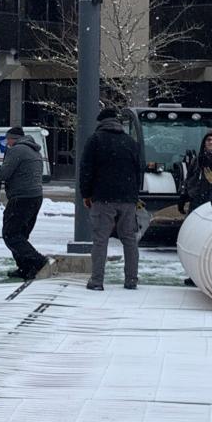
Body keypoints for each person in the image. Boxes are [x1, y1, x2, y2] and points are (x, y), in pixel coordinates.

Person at [79, 107, 142, 292]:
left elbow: (86, 170)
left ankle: (97, 281)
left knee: (100, 240)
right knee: (129, 239)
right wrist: (133, 194)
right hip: (128, 198)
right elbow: (138, 170)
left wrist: (86, 194)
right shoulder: (130, 142)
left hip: (103, 197)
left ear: (101, 122)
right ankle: (131, 279)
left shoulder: (96, 140)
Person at [179, 130, 212, 284]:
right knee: (195, 241)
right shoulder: (198, 160)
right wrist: (185, 195)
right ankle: (195, 274)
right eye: (208, 140)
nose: (211, 143)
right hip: (197, 203)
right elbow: (190, 179)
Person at [0, 126, 47, 280]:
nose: (7, 143)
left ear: (12, 138)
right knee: (21, 235)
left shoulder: (17, 150)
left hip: (21, 198)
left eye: (7, 140)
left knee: (10, 234)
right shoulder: (34, 150)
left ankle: (38, 261)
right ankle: (25, 268)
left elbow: (5, 172)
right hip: (35, 197)